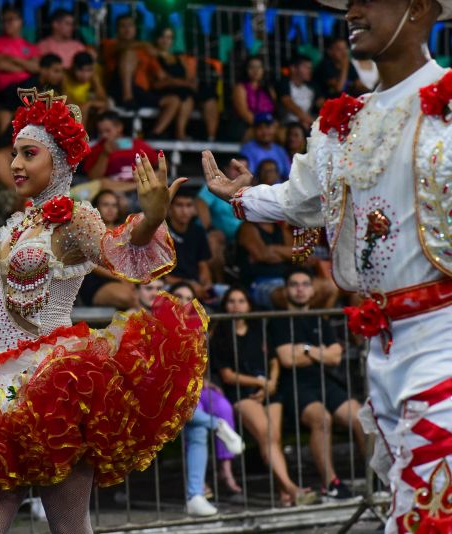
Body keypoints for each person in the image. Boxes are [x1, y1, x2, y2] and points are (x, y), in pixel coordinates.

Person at [0, 86, 205, 532]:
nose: (16, 165)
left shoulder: (76, 218)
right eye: (14, 154)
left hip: (59, 384)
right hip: (3, 382)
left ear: (59, 161)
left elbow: (118, 252)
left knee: (68, 526)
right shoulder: (19, 224)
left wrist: (153, 220)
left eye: (28, 154)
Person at [204, 0, 452, 517]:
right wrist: (240, 198)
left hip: (444, 334)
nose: (353, 11)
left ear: (422, 8)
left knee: (431, 499)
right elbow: (300, 199)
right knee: (406, 497)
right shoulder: (345, 124)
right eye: (349, 2)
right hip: (382, 346)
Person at [211, 286, 317, 507]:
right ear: (225, 305)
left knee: (273, 440)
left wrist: (271, 383)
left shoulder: (259, 327)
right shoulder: (219, 335)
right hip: (241, 392)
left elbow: (274, 361)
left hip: (269, 389)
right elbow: (228, 376)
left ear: (249, 305)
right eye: (231, 301)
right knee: (267, 436)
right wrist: (261, 382)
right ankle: (291, 488)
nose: (236, 306)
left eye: (241, 301)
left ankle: (284, 493)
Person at [268, 268, 364, 499]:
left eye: (305, 284)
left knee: (362, 416)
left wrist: (306, 350)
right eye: (294, 284)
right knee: (322, 419)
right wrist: (319, 352)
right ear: (285, 290)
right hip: (295, 387)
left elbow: (336, 356)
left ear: (312, 290)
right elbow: (287, 359)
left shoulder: (320, 320)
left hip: (325, 382)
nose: (300, 289)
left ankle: (376, 478)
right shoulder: (277, 322)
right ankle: (331, 483)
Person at [172, 281, 242, 495]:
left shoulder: (198, 329)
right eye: (178, 296)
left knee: (222, 406)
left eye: (188, 298)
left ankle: (225, 470)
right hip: (169, 390)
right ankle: (216, 425)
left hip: (194, 385)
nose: (183, 302)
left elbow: (197, 367)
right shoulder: (158, 324)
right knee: (195, 416)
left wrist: (203, 381)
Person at [151, 25, 220, 141]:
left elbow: (189, 77)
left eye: (169, 37)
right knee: (185, 95)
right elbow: (162, 80)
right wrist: (181, 83)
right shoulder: (152, 57)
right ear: (156, 38)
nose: (166, 41)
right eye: (162, 37)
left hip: (184, 87)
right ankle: (180, 133)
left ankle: (211, 137)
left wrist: (188, 83)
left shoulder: (179, 57)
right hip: (168, 90)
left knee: (209, 95)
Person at [78, 190, 137, 310]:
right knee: (127, 297)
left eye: (114, 205)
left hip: (123, 279)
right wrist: (120, 278)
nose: (110, 209)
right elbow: (91, 263)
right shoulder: (88, 230)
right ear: (96, 208)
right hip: (95, 282)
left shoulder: (124, 231)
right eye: (105, 204)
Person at [196, 155, 248, 284]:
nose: (239, 173)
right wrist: (209, 228)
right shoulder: (217, 185)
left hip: (242, 236)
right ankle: (220, 284)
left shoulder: (251, 190)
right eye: (235, 169)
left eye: (243, 169)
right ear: (226, 170)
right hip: (219, 235)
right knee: (214, 239)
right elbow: (200, 203)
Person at [82, 110, 159, 196]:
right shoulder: (97, 148)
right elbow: (93, 179)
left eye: (107, 131)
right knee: (102, 183)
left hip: (142, 189)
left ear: (119, 127)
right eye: (101, 132)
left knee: (158, 174)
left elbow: (161, 165)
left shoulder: (138, 145)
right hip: (114, 192)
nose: (104, 135)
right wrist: (105, 154)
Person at [165, 188, 212, 301]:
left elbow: (203, 265)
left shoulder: (198, 231)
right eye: (179, 205)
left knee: (223, 292)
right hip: (168, 285)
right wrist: (187, 284)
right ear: (170, 208)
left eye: (189, 205)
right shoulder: (160, 231)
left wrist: (206, 284)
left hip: (195, 285)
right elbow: (161, 277)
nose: (185, 211)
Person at [0, 6, 39, 108]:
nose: (7, 23)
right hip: (8, 89)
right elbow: (0, 65)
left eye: (11, 19)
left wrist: (13, 59)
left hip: (29, 86)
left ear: (21, 21)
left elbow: (36, 68)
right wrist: (27, 66)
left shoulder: (30, 46)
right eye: (4, 20)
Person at [232, 56, 277, 140]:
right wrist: (262, 126)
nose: (255, 71)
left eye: (258, 67)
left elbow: (274, 110)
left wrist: (271, 125)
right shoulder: (240, 87)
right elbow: (244, 113)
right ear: (246, 70)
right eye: (252, 67)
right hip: (247, 125)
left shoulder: (268, 88)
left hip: (268, 124)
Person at [62, 51, 108, 131]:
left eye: (88, 70)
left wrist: (89, 104)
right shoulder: (65, 77)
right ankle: (81, 138)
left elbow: (104, 101)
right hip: (67, 110)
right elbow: (70, 104)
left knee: (102, 109)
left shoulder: (93, 77)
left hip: (85, 108)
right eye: (81, 70)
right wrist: (86, 106)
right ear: (73, 68)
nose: (85, 75)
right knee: (80, 111)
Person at [240, 112, 291, 178]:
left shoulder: (280, 150)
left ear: (274, 129)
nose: (265, 132)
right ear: (254, 130)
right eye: (260, 128)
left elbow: (288, 175)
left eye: (268, 127)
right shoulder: (247, 149)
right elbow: (249, 178)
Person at [276, 55, 317, 130]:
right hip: (286, 126)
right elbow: (289, 104)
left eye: (310, 68)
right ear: (293, 68)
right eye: (306, 67)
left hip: (306, 125)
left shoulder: (311, 88)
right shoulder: (284, 84)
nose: (309, 70)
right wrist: (312, 122)